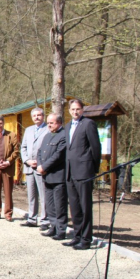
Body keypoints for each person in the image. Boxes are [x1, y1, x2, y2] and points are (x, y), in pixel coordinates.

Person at [64, 99, 101, 250]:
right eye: (72, 109)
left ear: (82, 110)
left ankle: (86, 239)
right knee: (75, 207)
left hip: (84, 171)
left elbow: (95, 147)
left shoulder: (88, 124)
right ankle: (77, 235)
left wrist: (93, 169)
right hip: (70, 172)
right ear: (69, 110)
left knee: (85, 207)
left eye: (78, 109)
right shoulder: (67, 127)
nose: (75, 112)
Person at [36, 113, 68, 240]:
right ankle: (53, 226)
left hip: (58, 176)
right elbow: (40, 152)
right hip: (47, 176)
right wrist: (39, 166)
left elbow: (58, 156)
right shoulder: (47, 136)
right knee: (50, 204)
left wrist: (44, 167)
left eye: (52, 123)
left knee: (59, 204)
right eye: (48, 123)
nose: (49, 125)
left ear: (59, 123)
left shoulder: (64, 136)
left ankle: (61, 230)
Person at [20, 108, 49, 228]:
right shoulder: (28, 130)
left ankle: (45, 220)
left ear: (43, 116)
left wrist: (41, 162)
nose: (36, 117)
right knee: (31, 195)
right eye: (34, 116)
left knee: (43, 196)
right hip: (29, 167)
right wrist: (27, 160)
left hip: (41, 167)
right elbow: (23, 147)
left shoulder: (48, 129)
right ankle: (32, 218)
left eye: (39, 115)